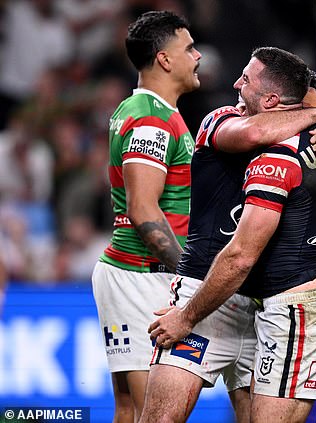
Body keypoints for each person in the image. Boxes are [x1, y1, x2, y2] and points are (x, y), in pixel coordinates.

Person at [139, 49, 316, 423]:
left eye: (246, 79)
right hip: (207, 294)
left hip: (266, 305)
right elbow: (256, 130)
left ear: (273, 100)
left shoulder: (313, 149)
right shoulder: (221, 120)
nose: (236, 85)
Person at [89, 10, 201, 423]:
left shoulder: (143, 110)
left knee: (131, 410)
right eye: (189, 48)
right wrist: (190, 273)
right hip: (141, 277)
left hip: (132, 276)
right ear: (165, 60)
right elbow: (142, 209)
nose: (198, 56)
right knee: (151, 412)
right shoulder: (153, 118)